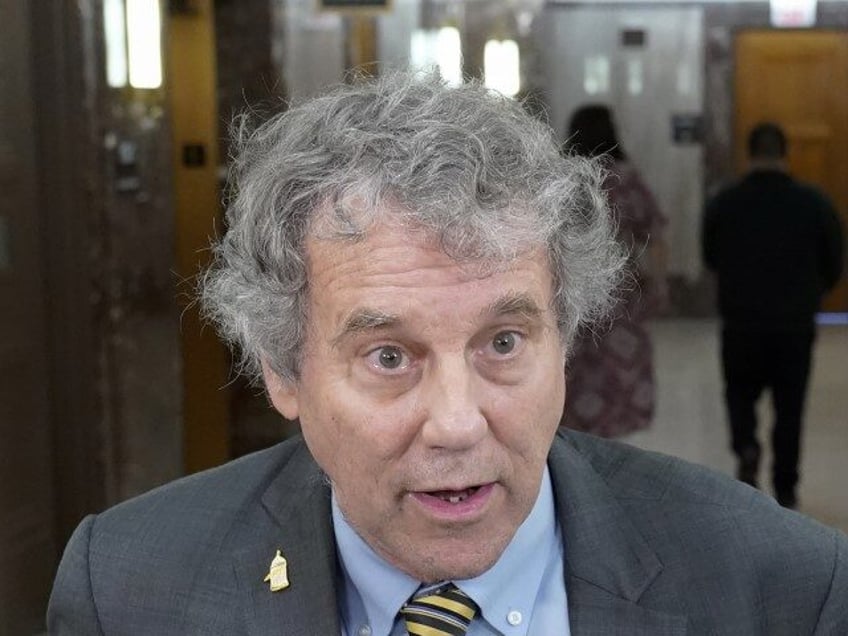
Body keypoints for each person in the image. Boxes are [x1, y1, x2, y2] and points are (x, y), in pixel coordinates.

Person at [49, 73, 847, 635]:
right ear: (283, 369)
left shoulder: (782, 588)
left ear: (563, 341)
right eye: (389, 357)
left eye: (503, 343)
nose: (458, 425)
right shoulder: (126, 592)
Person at [702, 122, 844, 510]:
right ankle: (786, 486)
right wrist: (811, 293)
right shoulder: (813, 203)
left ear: (749, 154)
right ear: (784, 154)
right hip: (793, 323)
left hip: (741, 319)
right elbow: (834, 262)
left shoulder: (725, 202)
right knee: (790, 405)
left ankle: (746, 445)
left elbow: (710, 256)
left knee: (739, 392)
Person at [560, 105, 668, 437]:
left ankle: (573, 446)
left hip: (571, 291)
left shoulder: (564, 180)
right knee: (618, 372)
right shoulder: (626, 180)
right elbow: (655, 234)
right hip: (621, 293)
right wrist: (660, 283)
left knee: (574, 376)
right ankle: (611, 450)